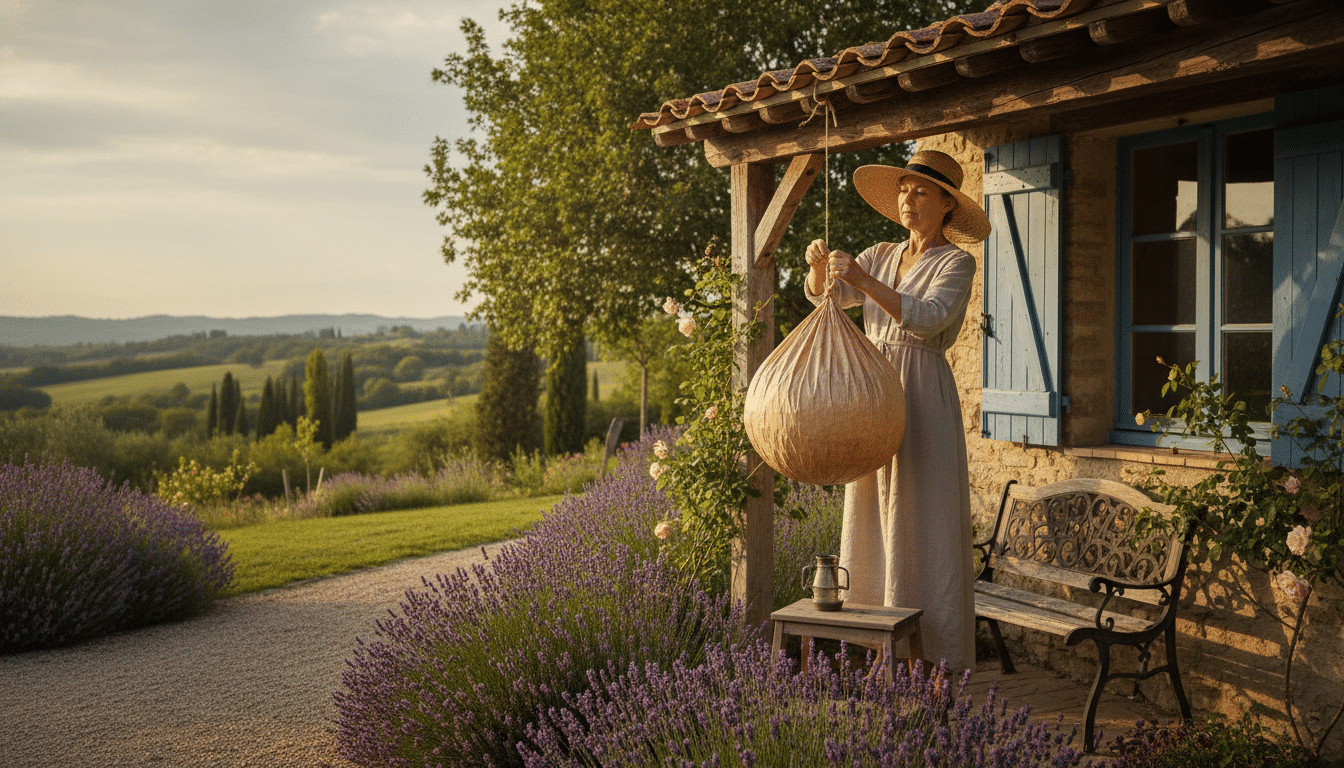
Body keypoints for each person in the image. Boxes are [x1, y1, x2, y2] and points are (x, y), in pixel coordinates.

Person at [803, 148, 991, 673]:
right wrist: (820, 270)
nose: (908, 199)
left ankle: (933, 658)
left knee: (922, 516)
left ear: (947, 206)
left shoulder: (957, 261)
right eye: (904, 190)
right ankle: (878, 646)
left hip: (923, 390)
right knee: (871, 512)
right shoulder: (881, 252)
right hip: (873, 394)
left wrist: (861, 282)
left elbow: (929, 319)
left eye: (922, 191)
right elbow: (829, 300)